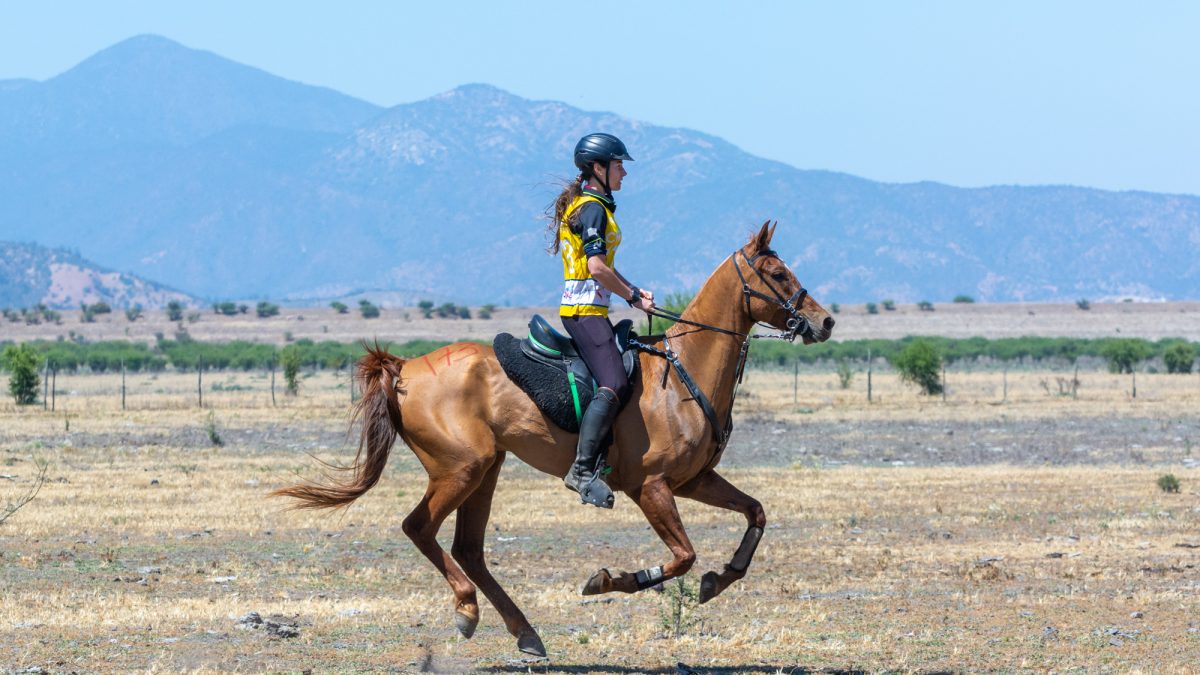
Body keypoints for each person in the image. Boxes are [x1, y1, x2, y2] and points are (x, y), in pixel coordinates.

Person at [548, 132, 655, 508]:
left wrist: (635, 292)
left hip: (592, 309)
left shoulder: (594, 205)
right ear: (599, 168)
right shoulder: (592, 208)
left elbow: (605, 266)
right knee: (613, 381)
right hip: (583, 312)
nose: (624, 172)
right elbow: (595, 267)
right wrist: (629, 296)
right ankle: (581, 469)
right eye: (619, 164)